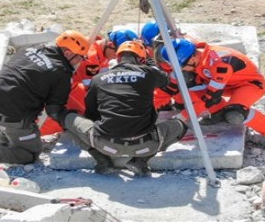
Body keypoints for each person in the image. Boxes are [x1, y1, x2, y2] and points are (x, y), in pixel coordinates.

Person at [0, 30, 89, 181]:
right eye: (79, 57)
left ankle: (6, 143)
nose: (80, 61)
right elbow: (54, 111)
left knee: (15, 120)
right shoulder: (62, 71)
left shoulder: (32, 48)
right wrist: (72, 121)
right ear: (67, 53)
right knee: (31, 153)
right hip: (11, 115)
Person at [62, 41, 189, 176]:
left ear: (117, 59)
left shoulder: (98, 79)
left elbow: (91, 113)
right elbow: (165, 80)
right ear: (141, 60)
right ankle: (140, 161)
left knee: (70, 119)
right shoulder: (148, 74)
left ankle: (102, 160)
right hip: (145, 145)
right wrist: (150, 64)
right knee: (180, 125)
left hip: (105, 144)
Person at [160, 39, 265, 149]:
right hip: (228, 83)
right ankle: (216, 113)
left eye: (181, 66)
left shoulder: (220, 64)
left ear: (192, 59)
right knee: (189, 81)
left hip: (249, 84)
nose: (181, 69)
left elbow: (210, 98)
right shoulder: (197, 54)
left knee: (235, 114)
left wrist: (180, 118)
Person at [39, 29, 138, 135]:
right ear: (109, 45)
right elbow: (90, 89)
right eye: (117, 53)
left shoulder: (101, 53)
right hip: (69, 93)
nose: (117, 58)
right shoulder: (91, 59)